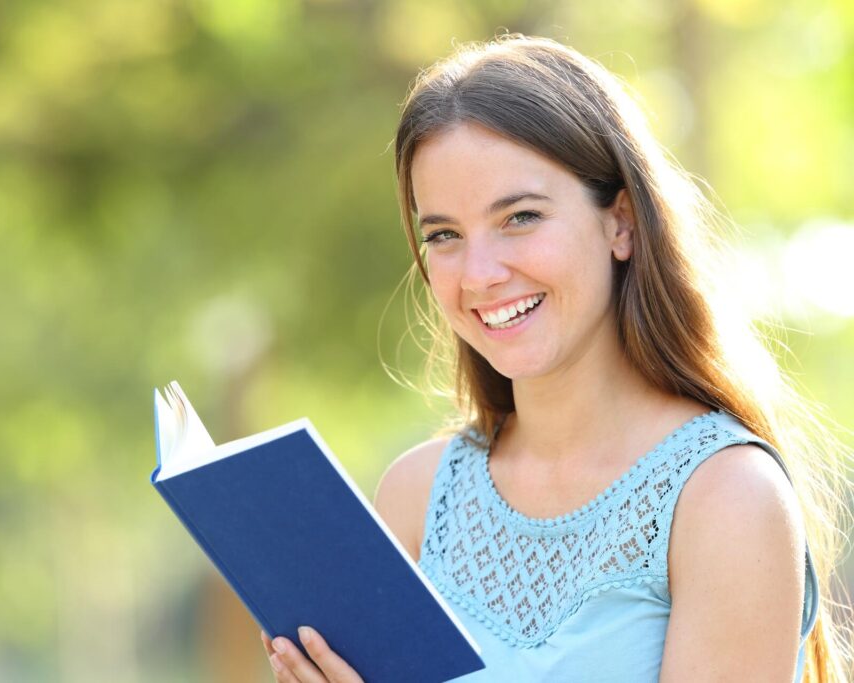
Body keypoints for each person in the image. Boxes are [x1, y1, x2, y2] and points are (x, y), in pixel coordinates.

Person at [260, 34, 851, 682]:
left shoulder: (727, 497)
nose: (480, 274)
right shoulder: (415, 497)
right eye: (445, 235)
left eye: (519, 217)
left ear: (620, 222)